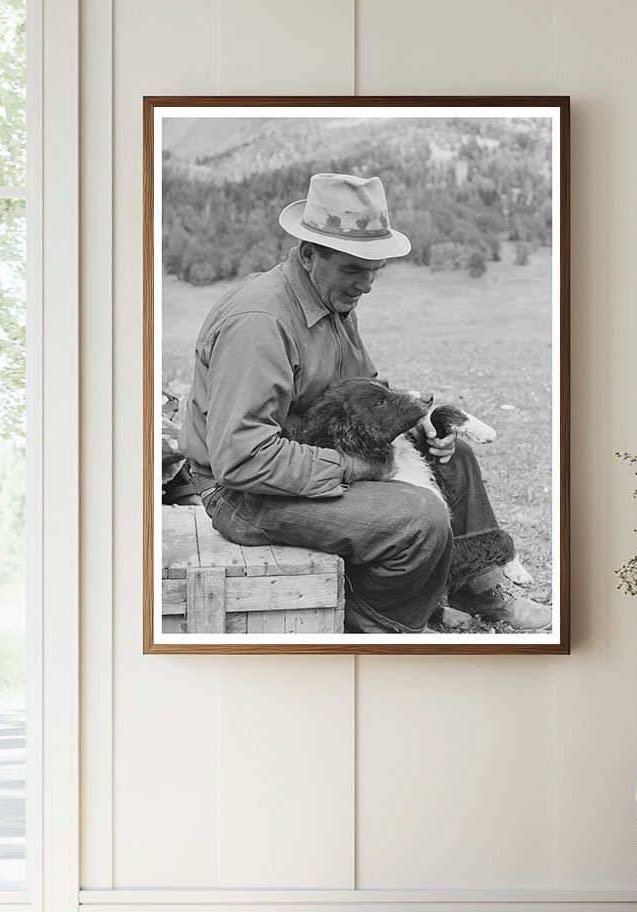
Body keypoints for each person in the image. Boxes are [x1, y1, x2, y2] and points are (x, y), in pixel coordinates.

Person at [183, 172, 551, 634]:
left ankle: (476, 583)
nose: (366, 287)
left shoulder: (331, 300)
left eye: (373, 272)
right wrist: (360, 467)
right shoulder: (259, 324)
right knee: (419, 516)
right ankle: (376, 623)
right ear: (309, 253)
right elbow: (242, 461)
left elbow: (365, 393)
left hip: (301, 457)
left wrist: (417, 429)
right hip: (243, 494)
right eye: (354, 271)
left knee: (456, 458)